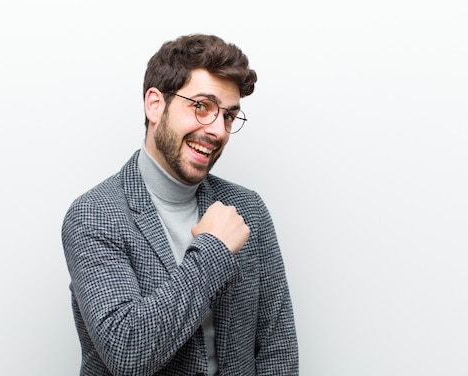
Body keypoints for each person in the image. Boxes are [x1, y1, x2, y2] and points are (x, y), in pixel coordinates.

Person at [61, 33, 298, 376]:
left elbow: (278, 350)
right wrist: (213, 250)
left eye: (229, 116)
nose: (218, 131)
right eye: (202, 106)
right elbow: (129, 353)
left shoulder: (248, 209)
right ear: (155, 105)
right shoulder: (94, 215)